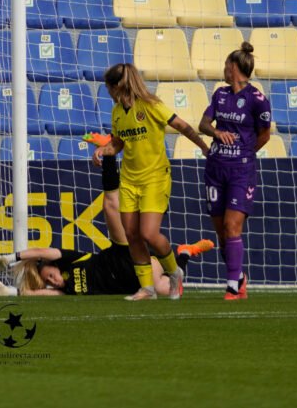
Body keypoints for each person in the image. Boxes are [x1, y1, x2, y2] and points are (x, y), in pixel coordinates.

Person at [87, 63, 209, 300]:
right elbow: (118, 143)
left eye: (108, 88)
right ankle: (147, 288)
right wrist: (103, 150)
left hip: (155, 177)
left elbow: (182, 126)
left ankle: (174, 271)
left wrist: (203, 146)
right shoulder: (117, 112)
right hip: (129, 179)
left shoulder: (151, 105)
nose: (108, 93)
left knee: (149, 234)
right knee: (132, 235)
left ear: (116, 86)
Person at [0, 190, 214, 297]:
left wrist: (11, 258)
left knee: (164, 273)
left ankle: (180, 255)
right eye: (49, 282)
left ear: (54, 266)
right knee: (169, 289)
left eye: (50, 275)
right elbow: (38, 294)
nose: (53, 280)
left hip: (122, 260)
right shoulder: (66, 290)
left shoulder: (70, 260)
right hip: (130, 287)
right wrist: (9, 292)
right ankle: (185, 253)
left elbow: (42, 251)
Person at [197, 42, 272, 300]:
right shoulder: (220, 94)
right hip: (215, 169)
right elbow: (203, 124)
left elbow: (265, 135)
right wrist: (216, 132)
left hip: (241, 172)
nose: (223, 69)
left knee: (232, 226)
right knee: (222, 233)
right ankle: (239, 277)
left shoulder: (257, 99)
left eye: (226, 65)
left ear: (234, 67)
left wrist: (245, 153)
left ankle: (231, 287)